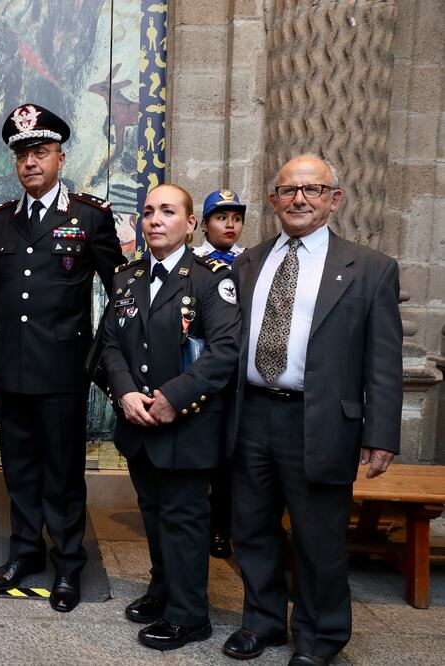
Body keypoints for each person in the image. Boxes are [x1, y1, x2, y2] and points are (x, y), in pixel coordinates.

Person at [221, 155, 402, 666]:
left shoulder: (370, 269)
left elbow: (383, 361)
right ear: (274, 200)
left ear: (334, 199)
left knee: (319, 537)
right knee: (250, 528)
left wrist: (381, 433)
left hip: (320, 420)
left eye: (312, 189)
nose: (299, 199)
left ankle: (320, 638)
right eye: (288, 190)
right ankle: (262, 622)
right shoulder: (248, 262)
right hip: (252, 415)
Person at [0, 103, 124, 612]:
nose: (30, 163)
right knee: (19, 469)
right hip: (12, 369)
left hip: (63, 370)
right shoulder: (0, 220)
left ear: (61, 158)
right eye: (22, 155)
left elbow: (120, 291)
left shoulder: (89, 216)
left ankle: (67, 564)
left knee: (62, 472)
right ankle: (25, 553)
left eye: (40, 152)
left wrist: (99, 354)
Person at [102, 184, 241, 649]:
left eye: (167, 211)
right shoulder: (127, 277)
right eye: (148, 212)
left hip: (187, 425)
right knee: (154, 512)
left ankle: (189, 614)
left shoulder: (210, 279)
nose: (155, 220)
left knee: (184, 519)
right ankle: (162, 590)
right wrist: (125, 392)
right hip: (138, 423)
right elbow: (110, 344)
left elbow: (225, 351)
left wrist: (173, 398)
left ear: (190, 223)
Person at [193, 188, 247, 560]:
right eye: (221, 217)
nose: (230, 224)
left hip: (236, 373)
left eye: (236, 218)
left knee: (229, 457)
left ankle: (221, 527)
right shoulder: (193, 261)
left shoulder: (250, 262)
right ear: (204, 223)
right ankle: (198, 522)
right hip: (199, 367)